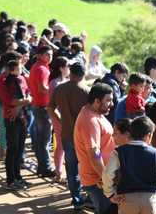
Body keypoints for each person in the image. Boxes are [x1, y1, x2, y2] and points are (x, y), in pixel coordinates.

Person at [48, 61, 91, 211]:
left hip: (67, 133)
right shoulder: (86, 91)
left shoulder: (60, 88)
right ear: (83, 74)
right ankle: (89, 198)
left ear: (70, 72)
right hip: (84, 136)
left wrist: (59, 120)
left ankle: (76, 199)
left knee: (71, 169)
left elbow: (50, 107)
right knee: (87, 167)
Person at [103, 116, 156, 214]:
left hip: (126, 199)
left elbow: (107, 174)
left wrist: (110, 193)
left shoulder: (119, 152)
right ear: (148, 135)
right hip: (149, 198)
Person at [74, 83, 116, 214]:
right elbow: (94, 154)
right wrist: (105, 179)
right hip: (97, 180)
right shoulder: (90, 120)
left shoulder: (95, 113)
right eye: (108, 100)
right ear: (97, 101)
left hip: (101, 177)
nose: (112, 104)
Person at [0, 58, 32, 190]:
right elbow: (9, 100)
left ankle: (18, 176)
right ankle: (10, 179)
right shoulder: (4, 81)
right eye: (19, 67)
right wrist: (24, 102)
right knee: (12, 148)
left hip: (22, 116)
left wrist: (23, 103)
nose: (21, 68)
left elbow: (29, 94)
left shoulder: (22, 79)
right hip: (11, 117)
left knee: (20, 148)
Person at [27, 45, 55, 177]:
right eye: (47, 55)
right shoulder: (42, 69)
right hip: (43, 107)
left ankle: (41, 166)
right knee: (45, 140)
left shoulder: (36, 67)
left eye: (51, 55)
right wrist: (55, 93)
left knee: (40, 139)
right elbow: (42, 88)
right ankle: (46, 168)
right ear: (40, 55)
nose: (50, 57)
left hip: (37, 106)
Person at [48, 56, 70, 183]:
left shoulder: (65, 81)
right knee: (61, 145)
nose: (69, 69)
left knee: (65, 146)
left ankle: (63, 172)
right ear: (61, 68)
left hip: (66, 118)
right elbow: (52, 105)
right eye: (67, 66)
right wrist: (58, 119)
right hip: (59, 118)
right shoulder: (54, 83)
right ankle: (59, 172)